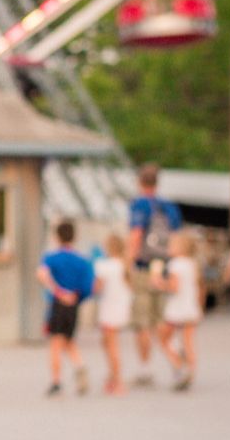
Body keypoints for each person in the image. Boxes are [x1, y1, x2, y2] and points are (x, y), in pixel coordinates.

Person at [127, 163, 182, 386]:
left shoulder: (140, 204)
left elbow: (136, 236)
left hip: (144, 267)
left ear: (140, 182)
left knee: (142, 321)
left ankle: (146, 368)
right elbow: (177, 240)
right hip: (165, 267)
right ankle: (176, 352)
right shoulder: (169, 207)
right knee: (161, 317)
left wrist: (128, 264)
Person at [38, 221, 95, 396]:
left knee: (55, 343)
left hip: (58, 305)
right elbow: (88, 286)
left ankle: (56, 382)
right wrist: (75, 297)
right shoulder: (82, 261)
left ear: (57, 237)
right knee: (68, 340)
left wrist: (58, 292)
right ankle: (80, 366)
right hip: (73, 305)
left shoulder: (51, 258)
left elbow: (41, 274)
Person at [155, 231, 203, 391]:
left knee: (163, 338)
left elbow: (174, 287)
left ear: (180, 248)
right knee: (188, 342)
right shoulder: (191, 264)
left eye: (171, 244)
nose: (168, 247)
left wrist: (159, 282)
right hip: (191, 308)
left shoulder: (175, 264)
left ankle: (178, 365)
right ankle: (190, 369)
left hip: (177, 309)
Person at [94, 232, 133, 395]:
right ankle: (112, 376)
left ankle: (117, 380)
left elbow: (97, 287)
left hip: (109, 308)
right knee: (107, 342)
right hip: (122, 307)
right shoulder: (125, 265)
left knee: (111, 345)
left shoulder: (105, 265)